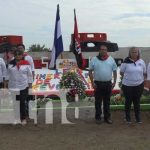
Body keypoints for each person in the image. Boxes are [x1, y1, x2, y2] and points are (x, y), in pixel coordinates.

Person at [89, 45, 117, 124]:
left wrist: (114, 82)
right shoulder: (94, 59)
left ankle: (107, 118)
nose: (104, 51)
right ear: (99, 50)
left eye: (105, 49)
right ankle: (98, 118)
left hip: (108, 83)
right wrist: (92, 82)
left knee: (107, 102)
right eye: (102, 49)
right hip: (98, 84)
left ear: (107, 51)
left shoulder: (111, 59)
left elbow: (114, 71)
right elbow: (90, 71)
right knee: (98, 102)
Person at [5, 50, 33, 125]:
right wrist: (5, 87)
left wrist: (30, 87)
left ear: (22, 55)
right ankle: (16, 118)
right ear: (14, 55)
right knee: (15, 103)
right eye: (16, 54)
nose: (18, 56)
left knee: (22, 102)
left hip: (23, 86)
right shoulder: (10, 64)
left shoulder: (26, 64)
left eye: (19, 54)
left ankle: (23, 118)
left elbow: (30, 76)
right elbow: (7, 75)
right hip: (13, 86)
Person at [120, 47, 146, 124]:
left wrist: (140, 80)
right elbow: (121, 72)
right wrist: (129, 78)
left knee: (137, 102)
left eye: (136, 52)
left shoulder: (141, 61)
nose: (134, 53)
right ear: (130, 53)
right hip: (127, 86)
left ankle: (137, 117)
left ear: (138, 53)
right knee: (128, 102)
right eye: (132, 52)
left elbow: (144, 73)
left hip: (139, 85)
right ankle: (128, 117)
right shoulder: (125, 62)